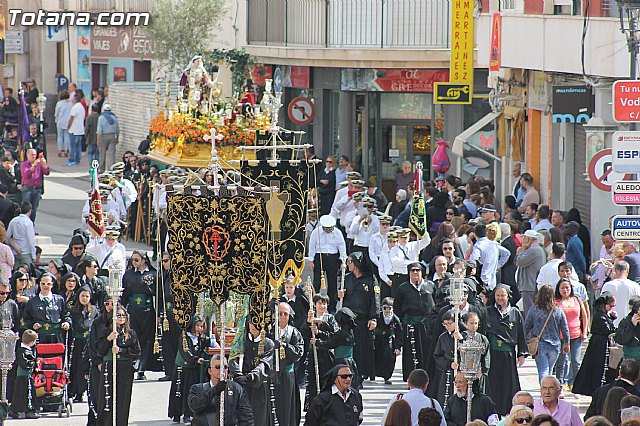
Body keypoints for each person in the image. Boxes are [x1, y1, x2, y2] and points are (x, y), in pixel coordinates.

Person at [95, 305, 141, 426]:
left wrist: (121, 351)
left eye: (123, 315)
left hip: (125, 368)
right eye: (118, 315)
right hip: (109, 366)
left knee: (123, 399)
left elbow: (136, 351)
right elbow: (99, 350)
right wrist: (108, 339)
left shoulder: (130, 333)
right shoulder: (106, 331)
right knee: (106, 398)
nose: (121, 318)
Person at [486, 285, 528, 415]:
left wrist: (522, 353)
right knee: (493, 385)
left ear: (508, 296)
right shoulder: (487, 312)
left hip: (508, 355)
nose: (500, 298)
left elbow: (521, 333)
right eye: (497, 295)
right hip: (492, 354)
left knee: (508, 385)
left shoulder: (514, 312)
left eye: (502, 295)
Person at [339, 251, 378, 387]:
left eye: (350, 262)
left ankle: (360, 375)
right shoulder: (347, 278)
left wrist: (373, 317)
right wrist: (340, 294)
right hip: (349, 319)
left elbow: (375, 299)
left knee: (362, 350)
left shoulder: (370, 280)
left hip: (363, 319)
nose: (348, 264)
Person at [394, 261, 436, 382]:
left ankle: (426, 379)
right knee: (411, 354)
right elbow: (398, 307)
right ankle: (411, 380)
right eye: (413, 271)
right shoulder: (403, 288)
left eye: (418, 270)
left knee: (426, 352)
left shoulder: (430, 286)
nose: (415, 273)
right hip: (410, 324)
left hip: (426, 326)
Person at [229, 319, 274, 425]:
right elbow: (233, 357)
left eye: (255, 322)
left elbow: (264, 365)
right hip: (241, 386)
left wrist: (250, 377)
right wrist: (237, 373)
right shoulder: (241, 341)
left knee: (258, 419)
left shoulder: (268, 343)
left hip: (258, 387)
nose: (252, 325)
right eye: (250, 322)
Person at [187, 355, 255, 426]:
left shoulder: (236, 389)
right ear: (210, 371)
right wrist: (214, 390)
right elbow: (194, 406)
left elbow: (246, 417)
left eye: (225, 367)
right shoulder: (197, 389)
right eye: (218, 367)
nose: (222, 370)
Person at [121, 250, 157, 380]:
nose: (134, 263)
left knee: (146, 340)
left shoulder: (153, 274)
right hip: (133, 311)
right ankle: (132, 364)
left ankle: (142, 368)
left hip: (147, 311)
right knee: (132, 337)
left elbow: (157, 295)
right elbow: (124, 294)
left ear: (144, 260)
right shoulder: (128, 274)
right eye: (132, 260)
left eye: (137, 260)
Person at [573, 292, 617, 397]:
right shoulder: (600, 316)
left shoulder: (604, 315)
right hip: (598, 344)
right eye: (610, 306)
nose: (611, 308)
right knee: (596, 366)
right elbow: (607, 330)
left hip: (600, 343)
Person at [524, 285, 570, 383]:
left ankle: (544, 391)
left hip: (540, 345)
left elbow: (527, 326)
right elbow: (565, 328)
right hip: (555, 345)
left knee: (543, 370)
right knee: (549, 370)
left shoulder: (534, 309)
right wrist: (567, 342)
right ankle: (549, 390)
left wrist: (526, 340)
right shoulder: (558, 310)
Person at [169, 316, 210, 423]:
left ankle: (189, 413)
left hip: (193, 368)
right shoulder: (184, 336)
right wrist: (195, 359)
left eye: (201, 326)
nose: (199, 329)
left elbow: (205, 346)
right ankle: (178, 413)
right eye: (197, 326)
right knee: (181, 390)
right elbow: (185, 352)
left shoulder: (201, 337)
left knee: (191, 391)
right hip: (184, 368)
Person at [302, 293, 338, 411]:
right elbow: (302, 334)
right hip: (314, 354)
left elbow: (334, 336)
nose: (322, 306)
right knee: (313, 382)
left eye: (324, 303)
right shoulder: (310, 318)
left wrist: (319, 332)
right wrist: (308, 323)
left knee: (327, 381)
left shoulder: (330, 318)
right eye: (319, 303)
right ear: (315, 305)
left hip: (327, 355)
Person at [553, 278, 588, 394]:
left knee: (575, 360)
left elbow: (584, 315)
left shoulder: (577, 299)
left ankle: (574, 383)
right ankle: (560, 385)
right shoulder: (556, 302)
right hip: (561, 336)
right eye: (562, 288)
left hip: (576, 335)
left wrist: (585, 331)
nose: (565, 290)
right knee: (561, 362)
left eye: (567, 287)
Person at [272, 302, 304, 426]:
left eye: (285, 314)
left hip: (286, 374)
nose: (282, 317)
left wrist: (285, 346)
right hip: (272, 373)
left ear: (289, 316)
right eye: (280, 314)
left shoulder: (294, 332)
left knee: (286, 407)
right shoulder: (270, 330)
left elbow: (299, 351)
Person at [307, 214, 346, 312]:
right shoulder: (316, 232)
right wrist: (311, 260)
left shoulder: (337, 233)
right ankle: (315, 304)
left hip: (332, 258)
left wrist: (342, 260)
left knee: (332, 283)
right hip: (319, 257)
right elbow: (312, 246)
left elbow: (342, 246)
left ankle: (332, 306)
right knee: (317, 282)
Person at [381, 368, 446, 426]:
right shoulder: (433, 404)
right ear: (426, 384)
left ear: (408, 382)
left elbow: (384, 421)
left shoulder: (397, 399)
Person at [23, 272, 71, 343]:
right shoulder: (32, 302)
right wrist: (32, 325)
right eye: (43, 283)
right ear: (39, 284)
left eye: (48, 284)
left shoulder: (59, 300)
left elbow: (66, 315)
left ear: (52, 285)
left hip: (57, 337)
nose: (45, 286)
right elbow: (26, 319)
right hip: (39, 336)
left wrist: (66, 323)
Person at [69, 286, 97, 402]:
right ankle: (77, 391)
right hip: (78, 342)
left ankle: (89, 391)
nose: (84, 298)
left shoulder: (94, 310)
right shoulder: (74, 311)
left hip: (89, 342)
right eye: (82, 296)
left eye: (87, 296)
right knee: (77, 366)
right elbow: (79, 327)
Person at [469, 224, 510, 291]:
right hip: (492, 280)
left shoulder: (478, 246)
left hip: (481, 280)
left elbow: (474, 259)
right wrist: (498, 265)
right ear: (486, 233)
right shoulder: (494, 244)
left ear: (475, 234)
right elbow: (507, 253)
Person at [8, 329, 39, 419]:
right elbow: (24, 363)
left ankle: (18, 409)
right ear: (31, 342)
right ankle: (26, 410)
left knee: (22, 393)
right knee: (25, 393)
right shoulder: (23, 351)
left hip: (26, 375)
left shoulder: (25, 350)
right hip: (23, 376)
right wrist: (32, 364)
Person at [517, 230, 547, 316]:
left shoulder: (534, 250)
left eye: (524, 238)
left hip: (530, 287)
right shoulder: (537, 249)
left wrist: (522, 249)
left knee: (529, 313)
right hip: (532, 286)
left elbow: (520, 262)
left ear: (529, 239)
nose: (523, 241)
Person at [373, 297, 402, 384]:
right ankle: (375, 373)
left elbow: (399, 333)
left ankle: (387, 376)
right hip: (378, 341)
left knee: (390, 358)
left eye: (389, 308)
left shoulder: (395, 319)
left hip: (389, 341)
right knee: (377, 357)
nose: (387, 310)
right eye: (385, 308)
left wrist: (398, 347)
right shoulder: (378, 316)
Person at [601, 261, 640, 326]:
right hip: (630, 325)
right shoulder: (635, 286)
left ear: (615, 270)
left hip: (611, 324)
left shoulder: (608, 285)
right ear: (627, 270)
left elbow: (601, 306)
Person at [20, 149, 49, 223]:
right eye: (32, 155)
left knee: (34, 209)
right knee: (26, 208)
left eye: (35, 155)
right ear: (28, 155)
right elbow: (26, 175)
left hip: (37, 189)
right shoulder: (24, 164)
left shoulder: (39, 164)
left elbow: (47, 172)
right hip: (27, 189)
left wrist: (44, 164)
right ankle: (24, 224)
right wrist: (34, 166)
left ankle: (31, 225)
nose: (34, 156)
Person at [97, 104, 120, 173]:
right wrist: (117, 138)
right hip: (112, 136)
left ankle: (101, 169)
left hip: (104, 136)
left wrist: (98, 140)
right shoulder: (114, 117)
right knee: (112, 154)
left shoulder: (101, 118)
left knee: (102, 153)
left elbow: (99, 130)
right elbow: (117, 130)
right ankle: (112, 169)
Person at [66, 88, 85, 166]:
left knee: (73, 146)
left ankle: (71, 159)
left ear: (75, 99)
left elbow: (71, 119)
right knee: (78, 146)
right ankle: (77, 159)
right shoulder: (82, 107)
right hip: (80, 130)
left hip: (73, 130)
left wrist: (68, 127)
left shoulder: (75, 108)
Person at [54, 89, 72, 157]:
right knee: (67, 136)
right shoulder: (70, 103)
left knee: (60, 136)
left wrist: (56, 119)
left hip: (60, 121)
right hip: (68, 121)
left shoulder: (59, 103)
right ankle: (67, 150)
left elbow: (56, 113)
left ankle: (59, 150)